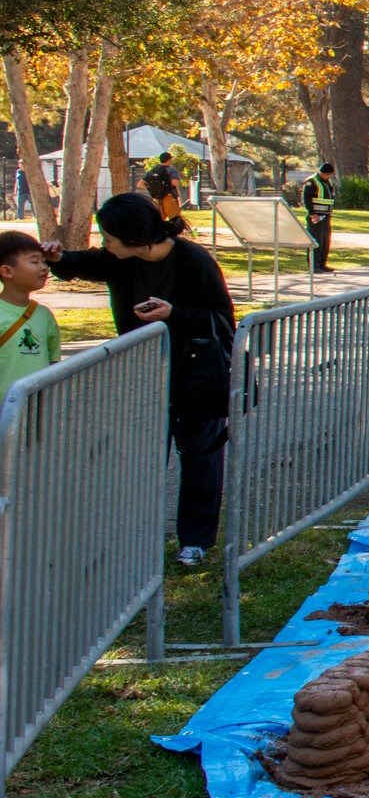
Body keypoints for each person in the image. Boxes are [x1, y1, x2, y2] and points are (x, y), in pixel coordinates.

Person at [45, 194, 235, 566]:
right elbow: (80, 263)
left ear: (135, 239)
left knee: (200, 454)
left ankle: (194, 541)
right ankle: (136, 539)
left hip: (196, 374)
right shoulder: (119, 259)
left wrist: (173, 314)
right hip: (142, 373)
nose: (104, 243)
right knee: (141, 458)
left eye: (109, 237)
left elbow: (222, 319)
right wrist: (56, 258)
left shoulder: (194, 261)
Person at [0, 230, 61, 396]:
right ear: (6, 271)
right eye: (35, 262)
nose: (44, 267)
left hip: (36, 410)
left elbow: (53, 365)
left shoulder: (44, 315)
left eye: (44, 261)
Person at [142, 148, 187, 232]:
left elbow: (140, 184)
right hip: (169, 196)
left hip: (156, 198)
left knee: (159, 218)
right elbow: (174, 183)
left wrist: (153, 187)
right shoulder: (171, 170)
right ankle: (174, 236)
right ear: (169, 159)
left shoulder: (152, 170)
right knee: (175, 219)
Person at [304, 161, 338, 272]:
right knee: (316, 240)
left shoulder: (328, 182)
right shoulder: (311, 182)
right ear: (320, 172)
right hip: (315, 216)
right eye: (326, 174)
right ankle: (313, 265)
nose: (328, 176)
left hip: (326, 216)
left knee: (325, 240)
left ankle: (322, 263)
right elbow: (307, 200)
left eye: (330, 175)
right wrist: (313, 214)